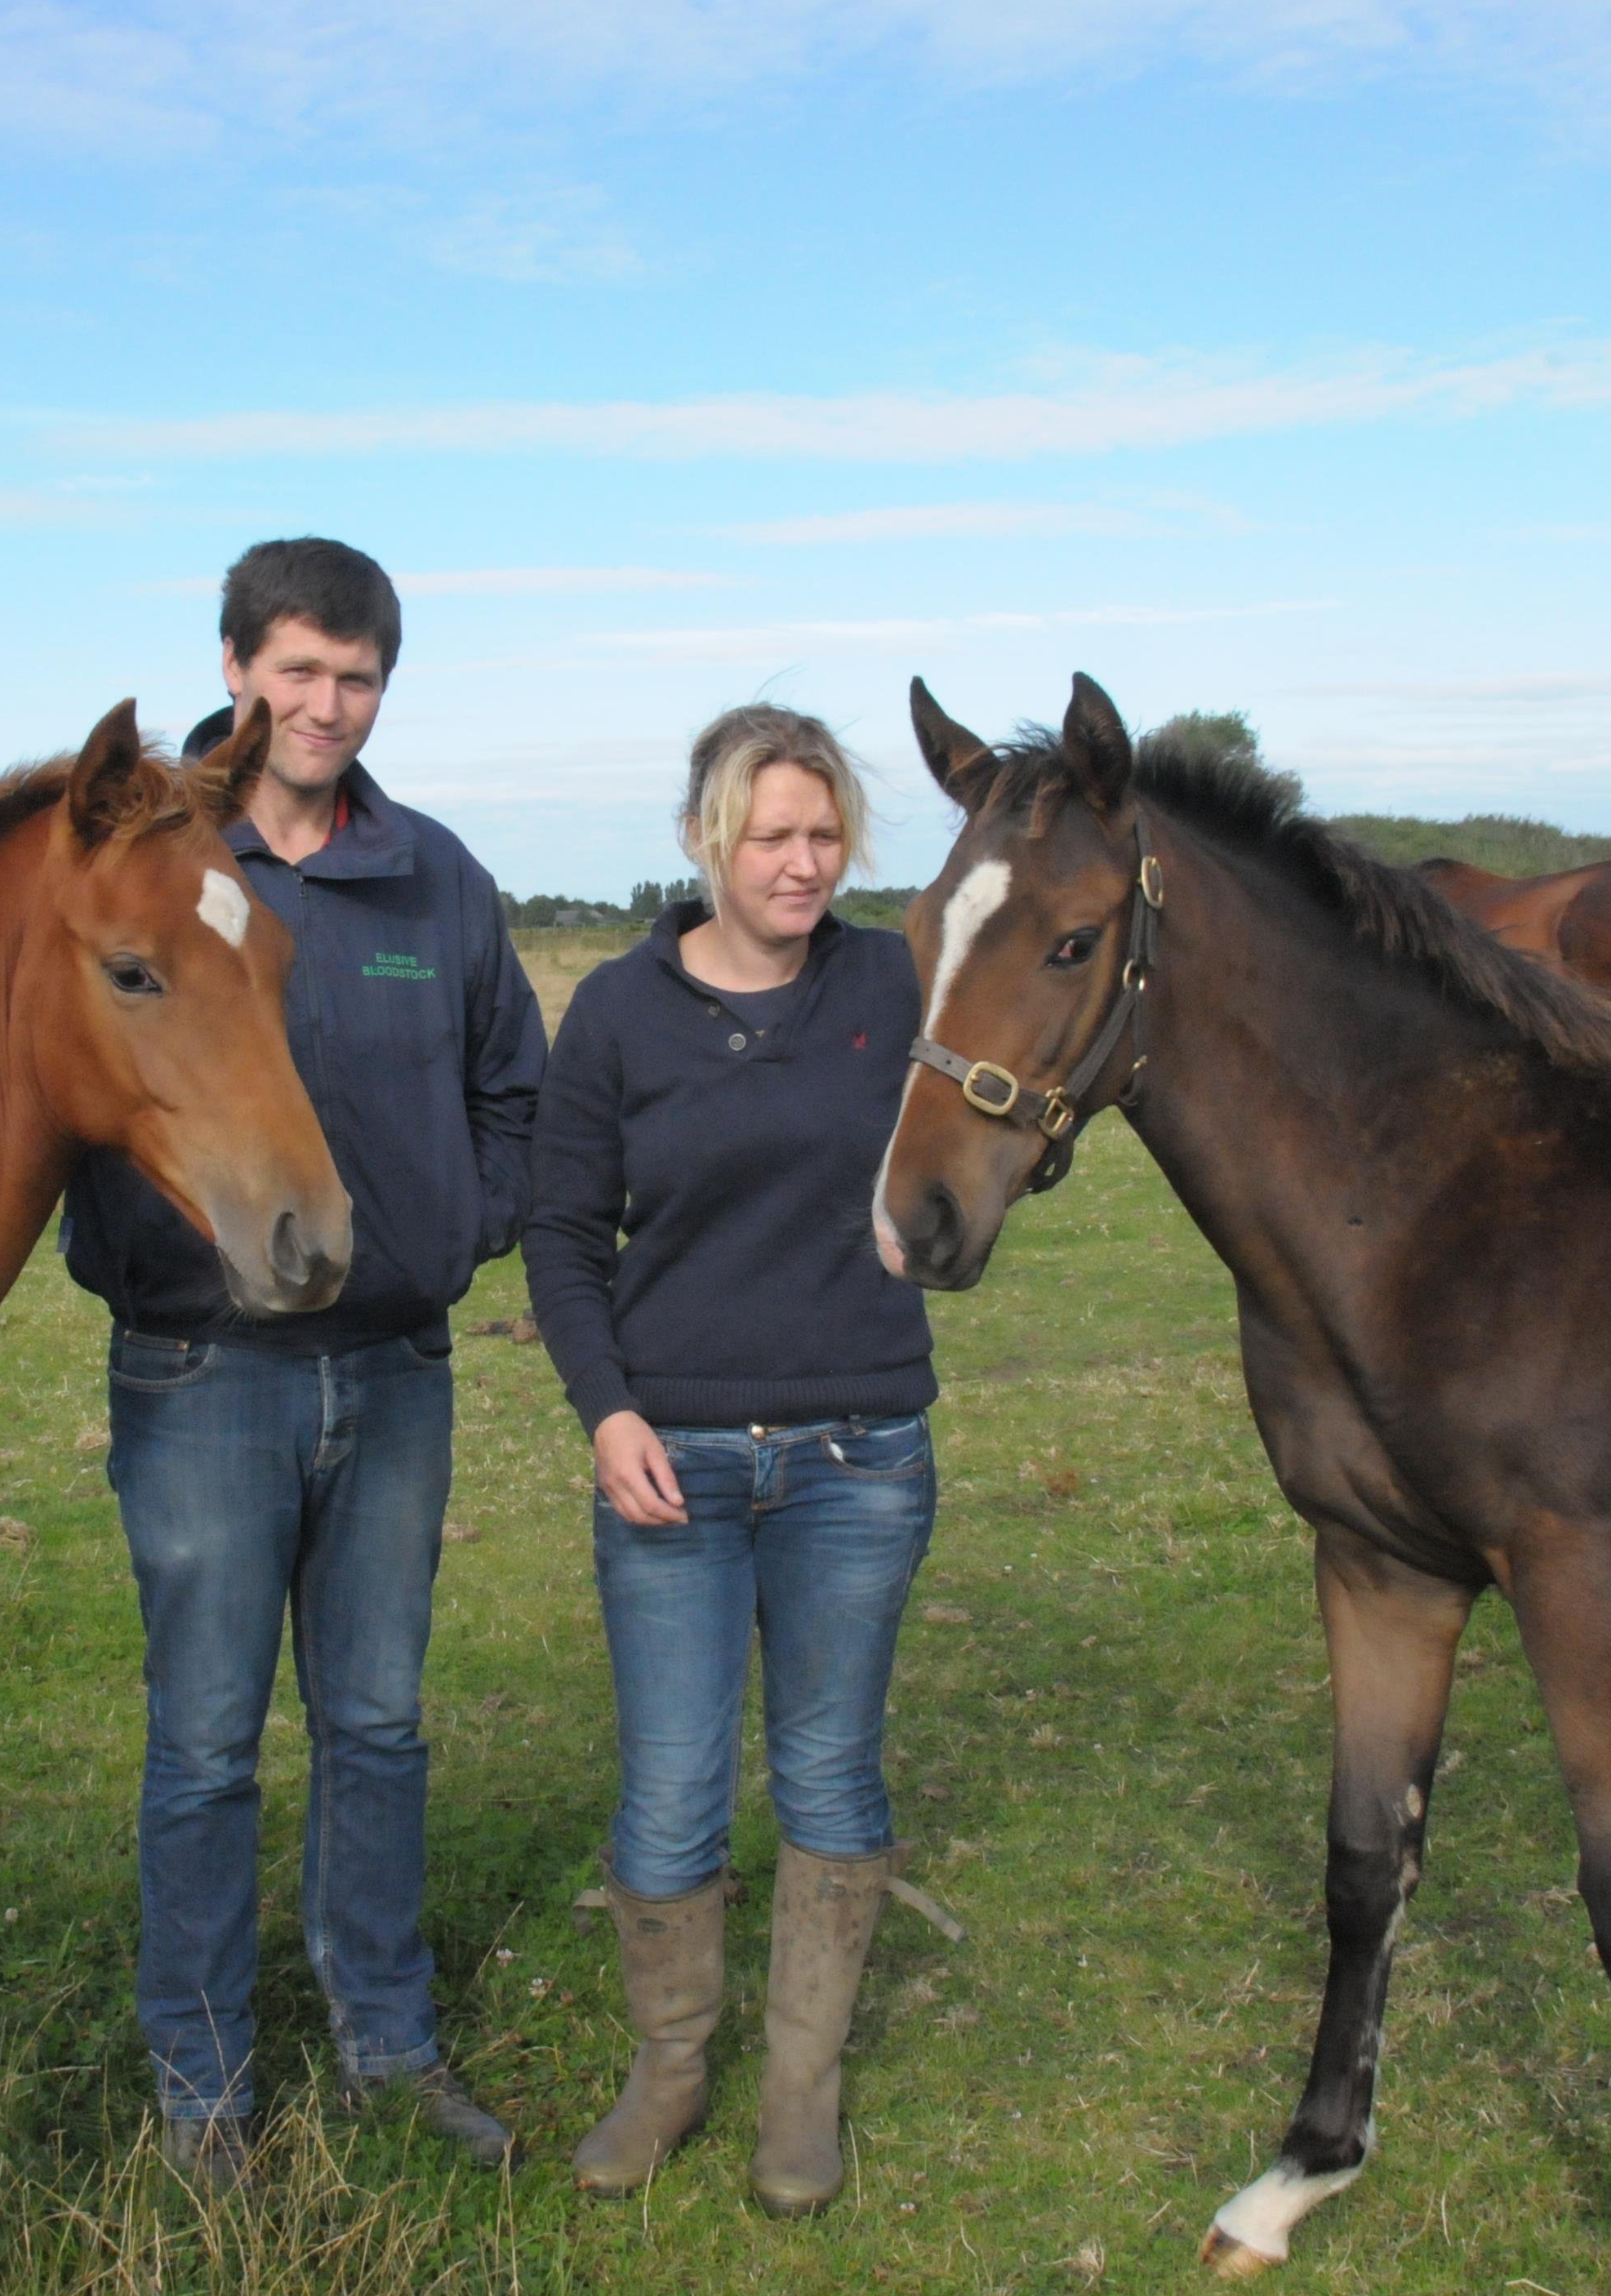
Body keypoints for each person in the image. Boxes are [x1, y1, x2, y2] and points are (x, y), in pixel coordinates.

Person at [61, 537, 547, 2183]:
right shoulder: (158, 865)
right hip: (209, 1375)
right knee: (205, 1738)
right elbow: (79, 1076)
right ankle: (204, 2088)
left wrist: (452, 1236)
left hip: (396, 1365)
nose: (326, 704)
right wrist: (155, 1256)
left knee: (378, 1723)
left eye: (356, 677)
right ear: (232, 668)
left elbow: (511, 1087)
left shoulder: (433, 878)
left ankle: (388, 2037)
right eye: (297, 671)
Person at [524, 703, 942, 2216]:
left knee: (829, 1772)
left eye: (826, 833)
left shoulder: (892, 980)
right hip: (672, 1463)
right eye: (773, 834)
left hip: (860, 1452)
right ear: (708, 837)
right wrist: (609, 1411)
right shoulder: (620, 1013)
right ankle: (672, 2067)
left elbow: (994, 1117)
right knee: (670, 1789)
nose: (804, 862)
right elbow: (564, 1235)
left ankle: (800, 2091)